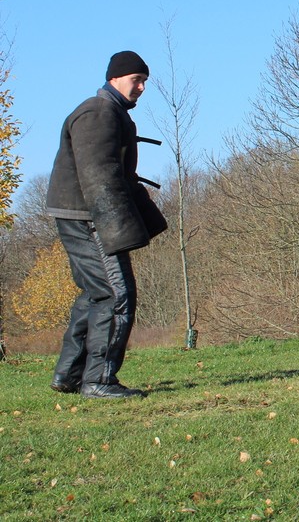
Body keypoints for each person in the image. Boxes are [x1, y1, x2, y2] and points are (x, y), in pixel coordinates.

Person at [46, 50, 167, 399]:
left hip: (80, 214)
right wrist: (116, 229)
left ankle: (70, 374)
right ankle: (98, 379)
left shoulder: (108, 112)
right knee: (116, 295)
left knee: (95, 293)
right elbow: (99, 175)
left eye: (145, 81)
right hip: (90, 217)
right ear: (115, 78)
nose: (142, 87)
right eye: (136, 80)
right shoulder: (99, 113)